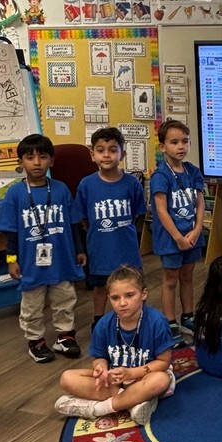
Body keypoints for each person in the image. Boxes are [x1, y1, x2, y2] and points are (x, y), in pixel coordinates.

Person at [0, 134, 86, 363]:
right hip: (30, 262)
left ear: (51, 161)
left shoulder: (61, 189)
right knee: (32, 303)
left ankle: (65, 336)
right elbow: (11, 231)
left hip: (62, 259)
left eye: (43, 157)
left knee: (65, 298)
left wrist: (79, 250)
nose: (37, 162)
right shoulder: (15, 194)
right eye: (30, 157)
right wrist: (11, 259)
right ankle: (35, 341)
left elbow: (73, 223)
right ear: (20, 162)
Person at [54, 265, 174, 425]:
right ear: (109, 297)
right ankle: (133, 403)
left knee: (161, 380)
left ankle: (99, 408)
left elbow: (164, 362)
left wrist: (132, 373)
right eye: (115, 298)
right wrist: (101, 368)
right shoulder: (104, 324)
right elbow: (99, 356)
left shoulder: (157, 322)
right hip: (116, 380)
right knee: (67, 378)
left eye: (129, 295)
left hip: (145, 376)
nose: (122, 303)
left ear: (143, 294)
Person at [72, 127, 146, 333]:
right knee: (100, 288)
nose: (106, 155)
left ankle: (135, 322)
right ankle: (99, 322)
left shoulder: (132, 183)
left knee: (131, 287)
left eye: (113, 150)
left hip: (127, 250)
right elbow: (83, 218)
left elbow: (137, 213)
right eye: (101, 150)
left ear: (122, 153)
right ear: (92, 154)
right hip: (100, 250)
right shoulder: (86, 185)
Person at [150, 119, 205, 341]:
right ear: (163, 146)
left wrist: (198, 229)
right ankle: (170, 320)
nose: (181, 147)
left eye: (185, 141)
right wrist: (177, 237)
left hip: (192, 236)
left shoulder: (193, 171)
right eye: (174, 142)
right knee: (170, 279)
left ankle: (188, 316)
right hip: (171, 239)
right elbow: (161, 210)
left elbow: (200, 203)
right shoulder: (161, 175)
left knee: (189, 277)